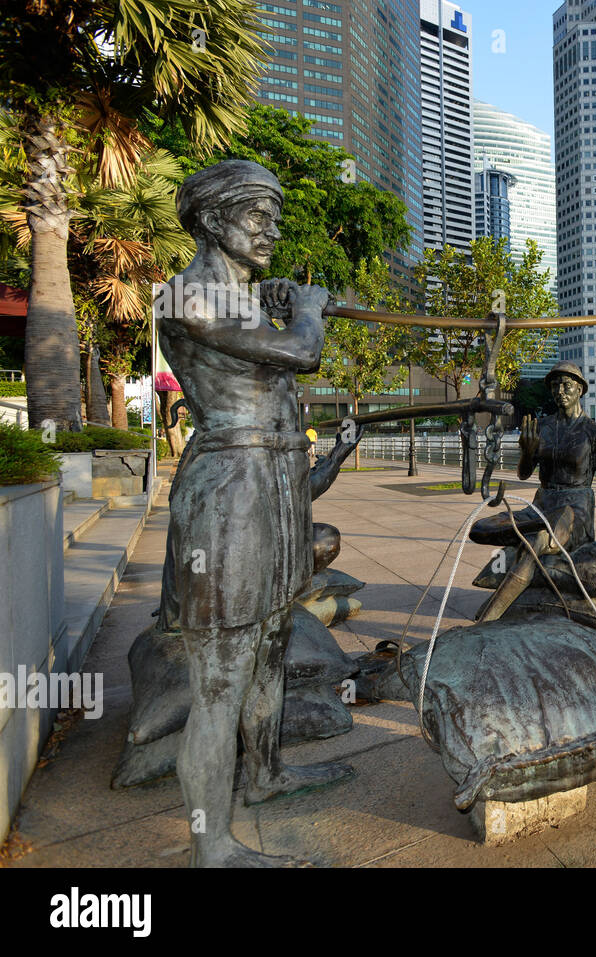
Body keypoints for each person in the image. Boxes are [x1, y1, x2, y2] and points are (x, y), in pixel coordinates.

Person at [160, 159, 352, 867]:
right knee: (224, 671)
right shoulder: (188, 296)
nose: (270, 230)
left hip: (275, 479)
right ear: (213, 220)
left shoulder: (244, 298)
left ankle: (266, 774)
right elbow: (300, 352)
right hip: (230, 490)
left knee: (272, 639)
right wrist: (305, 307)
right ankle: (211, 845)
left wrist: (278, 299)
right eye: (255, 216)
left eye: (274, 216)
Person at [473, 361, 596, 621]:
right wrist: (528, 451)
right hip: (542, 503)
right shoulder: (541, 427)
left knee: (536, 542)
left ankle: (486, 619)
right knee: (479, 529)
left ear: (580, 390)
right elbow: (523, 473)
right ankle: (527, 545)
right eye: (555, 386)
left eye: (567, 385)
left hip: (574, 509)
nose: (560, 391)